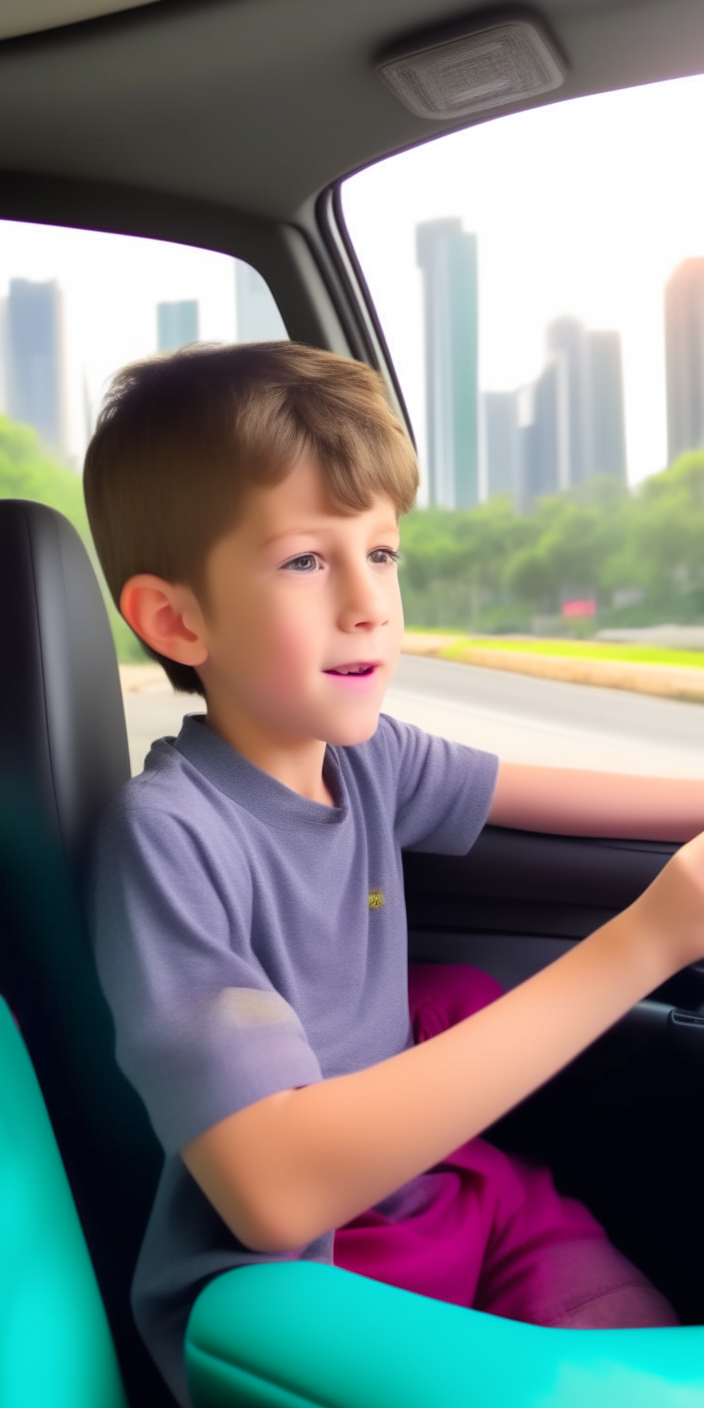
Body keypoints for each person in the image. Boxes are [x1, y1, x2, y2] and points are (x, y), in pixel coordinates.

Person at [85, 342, 704, 1407]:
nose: (369, 601)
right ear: (177, 620)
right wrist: (648, 940)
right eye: (304, 561)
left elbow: (584, 797)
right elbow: (274, 1191)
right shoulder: (169, 834)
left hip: (452, 1190)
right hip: (296, 1272)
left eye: (382, 552)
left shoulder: (368, 761)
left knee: (637, 1355)